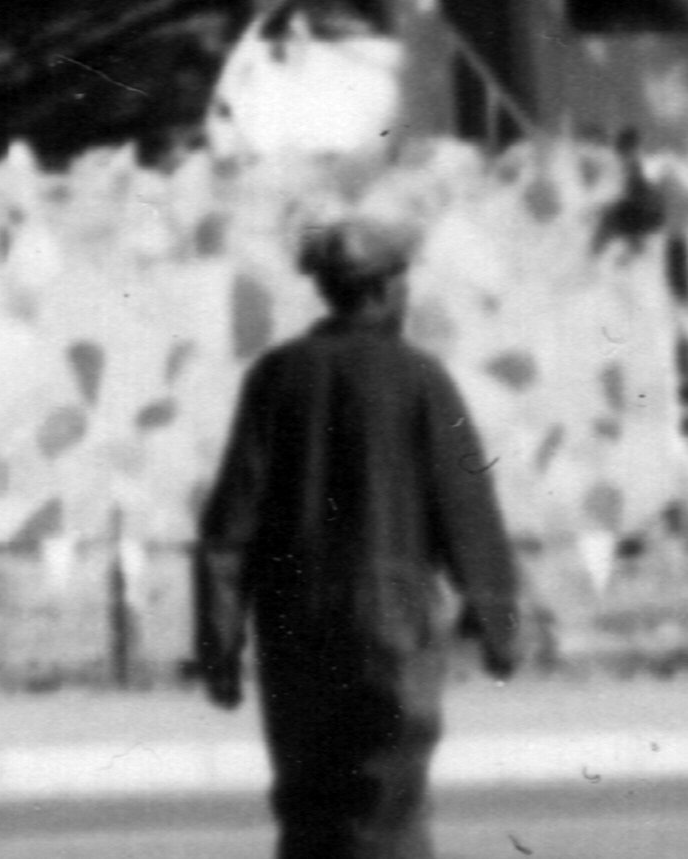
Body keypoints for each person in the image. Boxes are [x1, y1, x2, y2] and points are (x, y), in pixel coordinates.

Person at [193, 209, 522, 859]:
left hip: (295, 637)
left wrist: (219, 646)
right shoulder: (421, 379)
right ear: (387, 288)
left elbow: (229, 530)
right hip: (393, 633)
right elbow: (468, 512)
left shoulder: (275, 378)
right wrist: (498, 624)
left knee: (309, 817)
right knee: (389, 817)